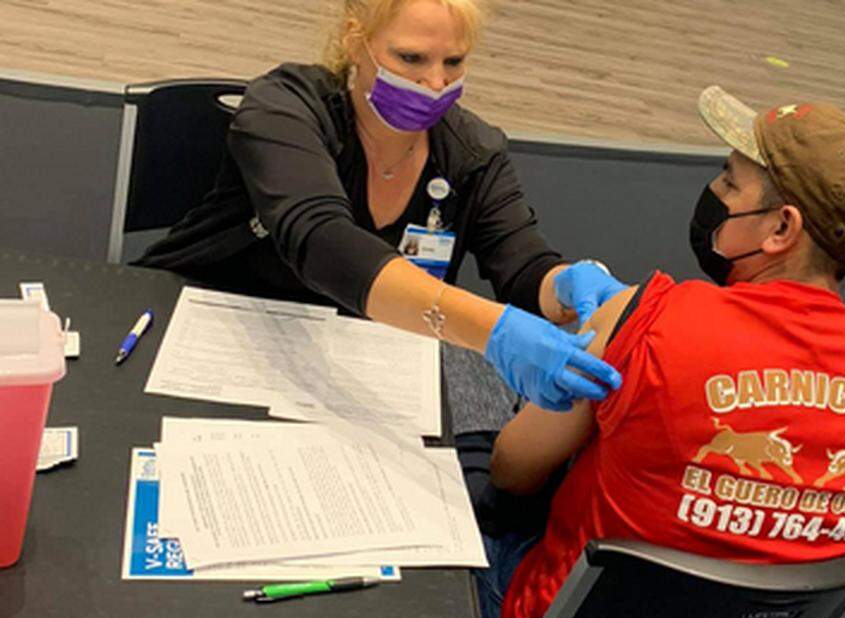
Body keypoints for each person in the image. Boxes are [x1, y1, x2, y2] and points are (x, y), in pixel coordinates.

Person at [470, 89, 845, 618]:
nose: (714, 192)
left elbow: (513, 470)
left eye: (729, 181)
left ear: (781, 229)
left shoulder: (652, 317)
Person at [135, 0, 627, 411]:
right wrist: (490, 330)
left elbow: (521, 264)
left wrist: (563, 286)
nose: (436, 83)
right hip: (213, 329)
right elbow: (323, 241)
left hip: (350, 365)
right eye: (411, 59)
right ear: (356, 43)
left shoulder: (474, 153)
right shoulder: (285, 107)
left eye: (453, 62)